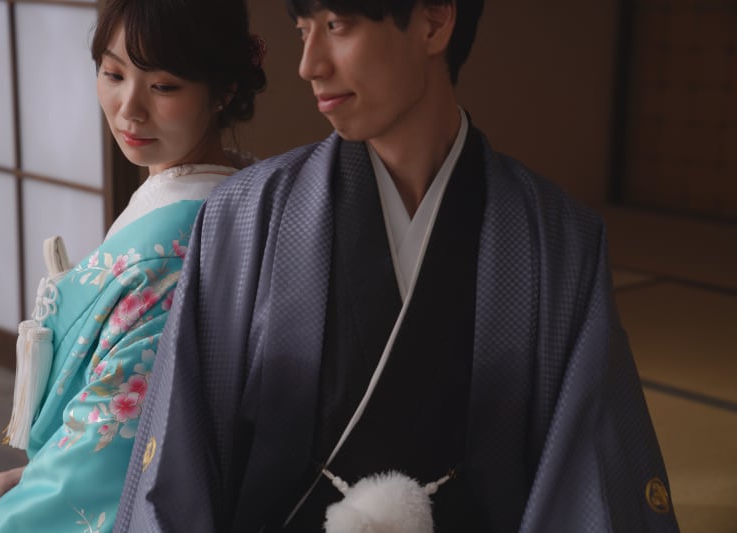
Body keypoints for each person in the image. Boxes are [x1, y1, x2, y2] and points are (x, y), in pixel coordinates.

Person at [116, 0, 680, 531]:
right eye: (303, 30)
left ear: (434, 21)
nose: (309, 64)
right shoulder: (245, 214)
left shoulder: (558, 238)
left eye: (336, 25)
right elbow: (179, 456)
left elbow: (587, 473)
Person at [0, 0, 265, 531]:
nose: (129, 109)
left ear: (223, 90)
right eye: (113, 74)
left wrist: (6, 519)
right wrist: (37, 476)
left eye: (164, 86)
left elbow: (117, 439)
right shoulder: (230, 195)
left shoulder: (171, 253)